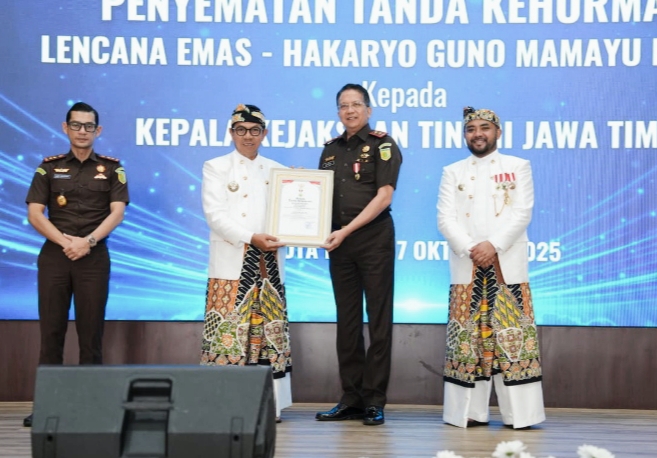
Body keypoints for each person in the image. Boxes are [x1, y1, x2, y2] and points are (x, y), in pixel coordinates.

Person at [436, 106, 545, 429]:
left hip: (506, 263)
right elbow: (445, 218)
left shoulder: (517, 166)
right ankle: (468, 412)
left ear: (498, 132)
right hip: (467, 263)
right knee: (468, 340)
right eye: (471, 129)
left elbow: (522, 212)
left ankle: (520, 415)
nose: (478, 134)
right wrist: (472, 248)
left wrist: (493, 245)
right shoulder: (452, 171)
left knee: (513, 338)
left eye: (485, 127)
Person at [24, 102, 129, 427]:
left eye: (89, 126)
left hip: (94, 257)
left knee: (91, 333)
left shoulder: (112, 168)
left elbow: (117, 212)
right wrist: (66, 242)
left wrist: (88, 242)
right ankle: (47, 408)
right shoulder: (48, 168)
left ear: (98, 131)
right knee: (51, 332)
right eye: (76, 125)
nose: (82, 131)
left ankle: (90, 407)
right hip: (55, 257)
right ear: (65, 128)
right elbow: (35, 214)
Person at [315, 84, 403, 426]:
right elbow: (321, 197)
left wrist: (347, 230)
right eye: (343, 105)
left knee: (379, 321)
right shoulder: (330, 150)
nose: (349, 111)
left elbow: (384, 196)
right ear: (338, 111)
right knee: (347, 321)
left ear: (368, 109)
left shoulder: (383, 145)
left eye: (355, 104)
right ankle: (351, 397)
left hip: (373, 240)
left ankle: (374, 400)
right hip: (339, 244)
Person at [200, 104, 292, 421]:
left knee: (267, 334)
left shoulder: (278, 171)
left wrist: (300, 194)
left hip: (268, 266)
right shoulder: (216, 167)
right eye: (241, 130)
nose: (248, 136)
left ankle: (270, 405)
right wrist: (251, 237)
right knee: (228, 335)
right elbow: (214, 216)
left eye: (254, 130)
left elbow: (291, 216)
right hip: (232, 262)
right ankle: (224, 404)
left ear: (264, 134)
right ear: (231, 132)